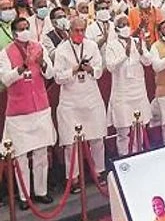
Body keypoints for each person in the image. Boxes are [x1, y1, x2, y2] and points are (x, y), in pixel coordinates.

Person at [1, 17, 55, 210]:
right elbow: (6, 80)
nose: (25, 31)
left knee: (41, 153)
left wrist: (42, 63)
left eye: (27, 27)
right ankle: (24, 196)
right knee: (21, 156)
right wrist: (22, 67)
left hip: (40, 107)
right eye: (21, 29)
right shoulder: (5, 53)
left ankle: (41, 192)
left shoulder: (38, 47)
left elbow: (50, 74)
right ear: (14, 33)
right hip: (19, 113)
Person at [53, 17, 105, 193]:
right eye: (76, 30)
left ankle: (99, 171)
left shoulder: (92, 46)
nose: (80, 33)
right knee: (71, 142)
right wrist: (75, 69)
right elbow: (58, 77)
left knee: (97, 137)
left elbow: (99, 70)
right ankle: (72, 177)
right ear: (69, 31)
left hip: (91, 96)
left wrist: (90, 69)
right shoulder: (61, 50)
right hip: (70, 100)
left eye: (83, 30)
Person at [105, 14, 152, 156]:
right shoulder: (112, 45)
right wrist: (124, 55)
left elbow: (148, 62)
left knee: (139, 127)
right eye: (122, 25)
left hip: (138, 90)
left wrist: (141, 51)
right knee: (123, 131)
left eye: (127, 24)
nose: (125, 27)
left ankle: (139, 154)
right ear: (116, 29)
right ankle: (124, 158)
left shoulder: (137, 41)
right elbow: (110, 67)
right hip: (122, 92)